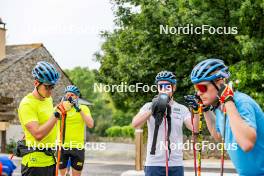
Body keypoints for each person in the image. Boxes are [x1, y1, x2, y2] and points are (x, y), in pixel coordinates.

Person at [186, 58, 264, 175]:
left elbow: (247, 143)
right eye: (196, 88)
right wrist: (206, 109)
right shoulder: (220, 108)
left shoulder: (241, 103)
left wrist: (228, 101)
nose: (198, 93)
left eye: (202, 87)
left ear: (219, 82)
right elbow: (219, 136)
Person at [132, 71, 198, 176]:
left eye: (167, 86)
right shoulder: (148, 105)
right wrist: (152, 110)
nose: (164, 90)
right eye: (161, 86)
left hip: (175, 163)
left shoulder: (181, 109)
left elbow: (195, 128)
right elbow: (135, 124)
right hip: (154, 163)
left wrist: (196, 110)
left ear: (174, 88)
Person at [18, 61, 71, 176]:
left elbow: (47, 122)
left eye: (52, 87)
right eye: (47, 87)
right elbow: (38, 135)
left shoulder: (48, 99)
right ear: (36, 83)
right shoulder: (27, 104)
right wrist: (57, 114)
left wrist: (60, 109)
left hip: (50, 160)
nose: (50, 91)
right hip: (34, 165)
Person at [59, 85, 94, 176]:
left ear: (77, 97)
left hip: (78, 147)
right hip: (62, 147)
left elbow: (90, 124)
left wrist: (79, 109)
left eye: (72, 95)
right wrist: (61, 108)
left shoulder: (84, 108)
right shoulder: (60, 108)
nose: (69, 97)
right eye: (67, 95)